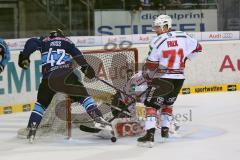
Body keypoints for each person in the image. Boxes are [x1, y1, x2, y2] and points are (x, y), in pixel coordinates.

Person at [18, 29, 112, 142]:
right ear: (62, 35)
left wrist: (24, 56)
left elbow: (31, 42)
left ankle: (32, 128)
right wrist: (85, 67)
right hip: (66, 76)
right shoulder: (66, 41)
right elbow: (77, 54)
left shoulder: (43, 41)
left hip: (48, 79)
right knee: (84, 97)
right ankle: (98, 118)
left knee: (41, 105)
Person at [137, 15, 202, 147]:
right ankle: (165, 131)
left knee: (151, 105)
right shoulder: (184, 36)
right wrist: (185, 58)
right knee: (167, 104)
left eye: (158, 27)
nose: (155, 30)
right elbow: (199, 48)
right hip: (178, 78)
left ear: (166, 26)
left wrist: (148, 70)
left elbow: (152, 64)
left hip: (162, 78)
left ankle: (149, 136)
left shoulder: (157, 40)